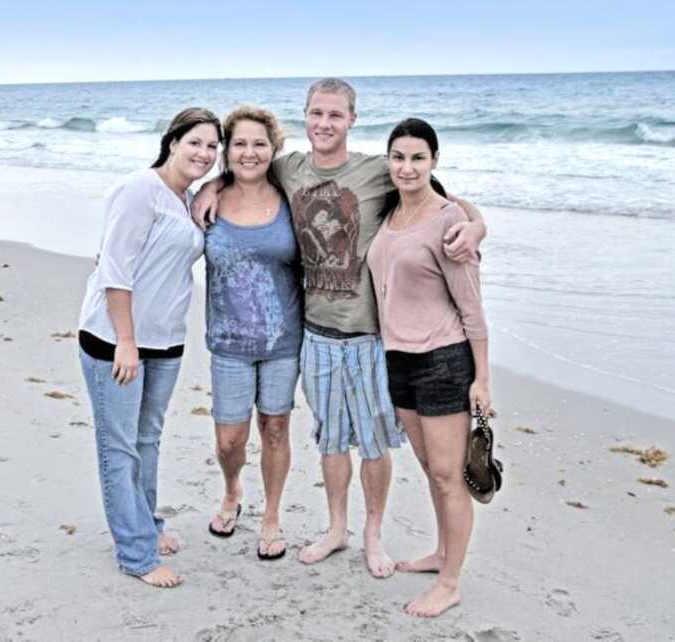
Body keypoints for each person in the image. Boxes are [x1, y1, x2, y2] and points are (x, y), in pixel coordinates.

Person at [193, 79, 486, 579]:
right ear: (304, 118)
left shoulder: (378, 170)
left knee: (372, 442)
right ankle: (336, 528)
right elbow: (245, 168)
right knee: (330, 440)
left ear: (351, 119)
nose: (324, 124)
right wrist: (211, 184)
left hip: (372, 338)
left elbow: (443, 201)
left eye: (335, 115)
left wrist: (477, 225)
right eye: (316, 114)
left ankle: (373, 533)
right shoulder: (289, 167)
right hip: (316, 334)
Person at [78, 107, 222, 588]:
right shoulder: (139, 189)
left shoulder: (186, 198)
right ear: (172, 141)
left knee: (147, 440)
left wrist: (215, 187)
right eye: (195, 142)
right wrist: (125, 341)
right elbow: (114, 269)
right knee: (118, 447)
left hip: (167, 340)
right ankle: (136, 554)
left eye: (212, 146)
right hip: (115, 341)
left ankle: (148, 524)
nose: (203, 153)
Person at [367, 117, 491, 617]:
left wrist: (482, 379)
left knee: (448, 476)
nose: (407, 166)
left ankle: (451, 580)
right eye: (399, 157)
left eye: (418, 157)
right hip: (398, 359)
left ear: (434, 161)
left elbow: (473, 308)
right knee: (430, 469)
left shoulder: (449, 221)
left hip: (443, 359)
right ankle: (442, 553)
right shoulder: (389, 211)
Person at [203, 106, 302, 561]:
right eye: (239, 143)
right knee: (230, 441)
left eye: (259, 143)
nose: (249, 152)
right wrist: (212, 182)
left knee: (276, 428)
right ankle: (232, 489)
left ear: (274, 148)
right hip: (228, 343)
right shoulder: (205, 202)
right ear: (227, 150)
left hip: (283, 341)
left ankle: (272, 515)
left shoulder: (291, 196)